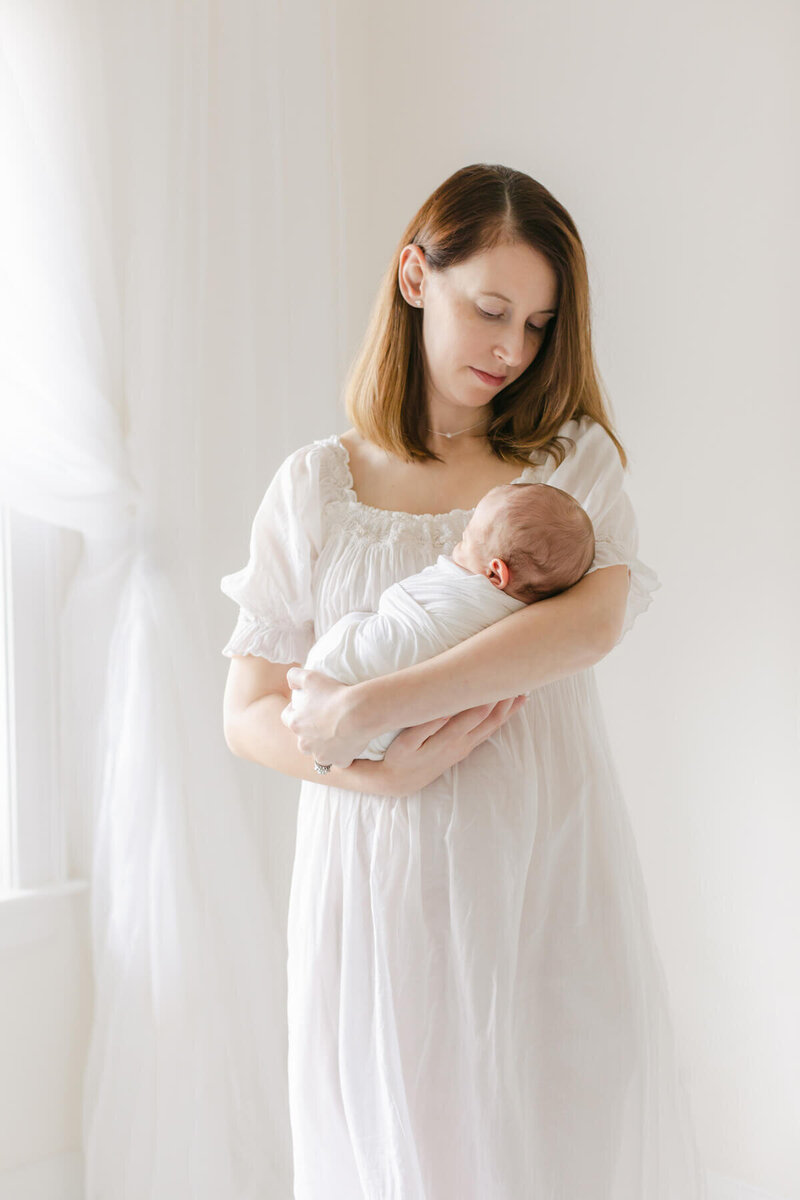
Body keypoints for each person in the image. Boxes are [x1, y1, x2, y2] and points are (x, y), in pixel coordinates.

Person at [220, 163, 707, 1199]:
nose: (509, 349)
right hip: (376, 879)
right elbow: (248, 711)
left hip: (543, 864)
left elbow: (586, 626)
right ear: (412, 276)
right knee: (405, 1147)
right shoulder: (315, 487)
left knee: (556, 1135)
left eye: (536, 325)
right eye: (489, 309)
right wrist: (368, 771)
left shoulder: (567, 465)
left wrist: (371, 706)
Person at [289, 481, 596, 761]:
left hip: (337, 685)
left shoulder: (469, 592)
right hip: (387, 736)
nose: (455, 549)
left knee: (360, 628)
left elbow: (401, 600)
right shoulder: (526, 625)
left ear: (494, 573)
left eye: (464, 541)